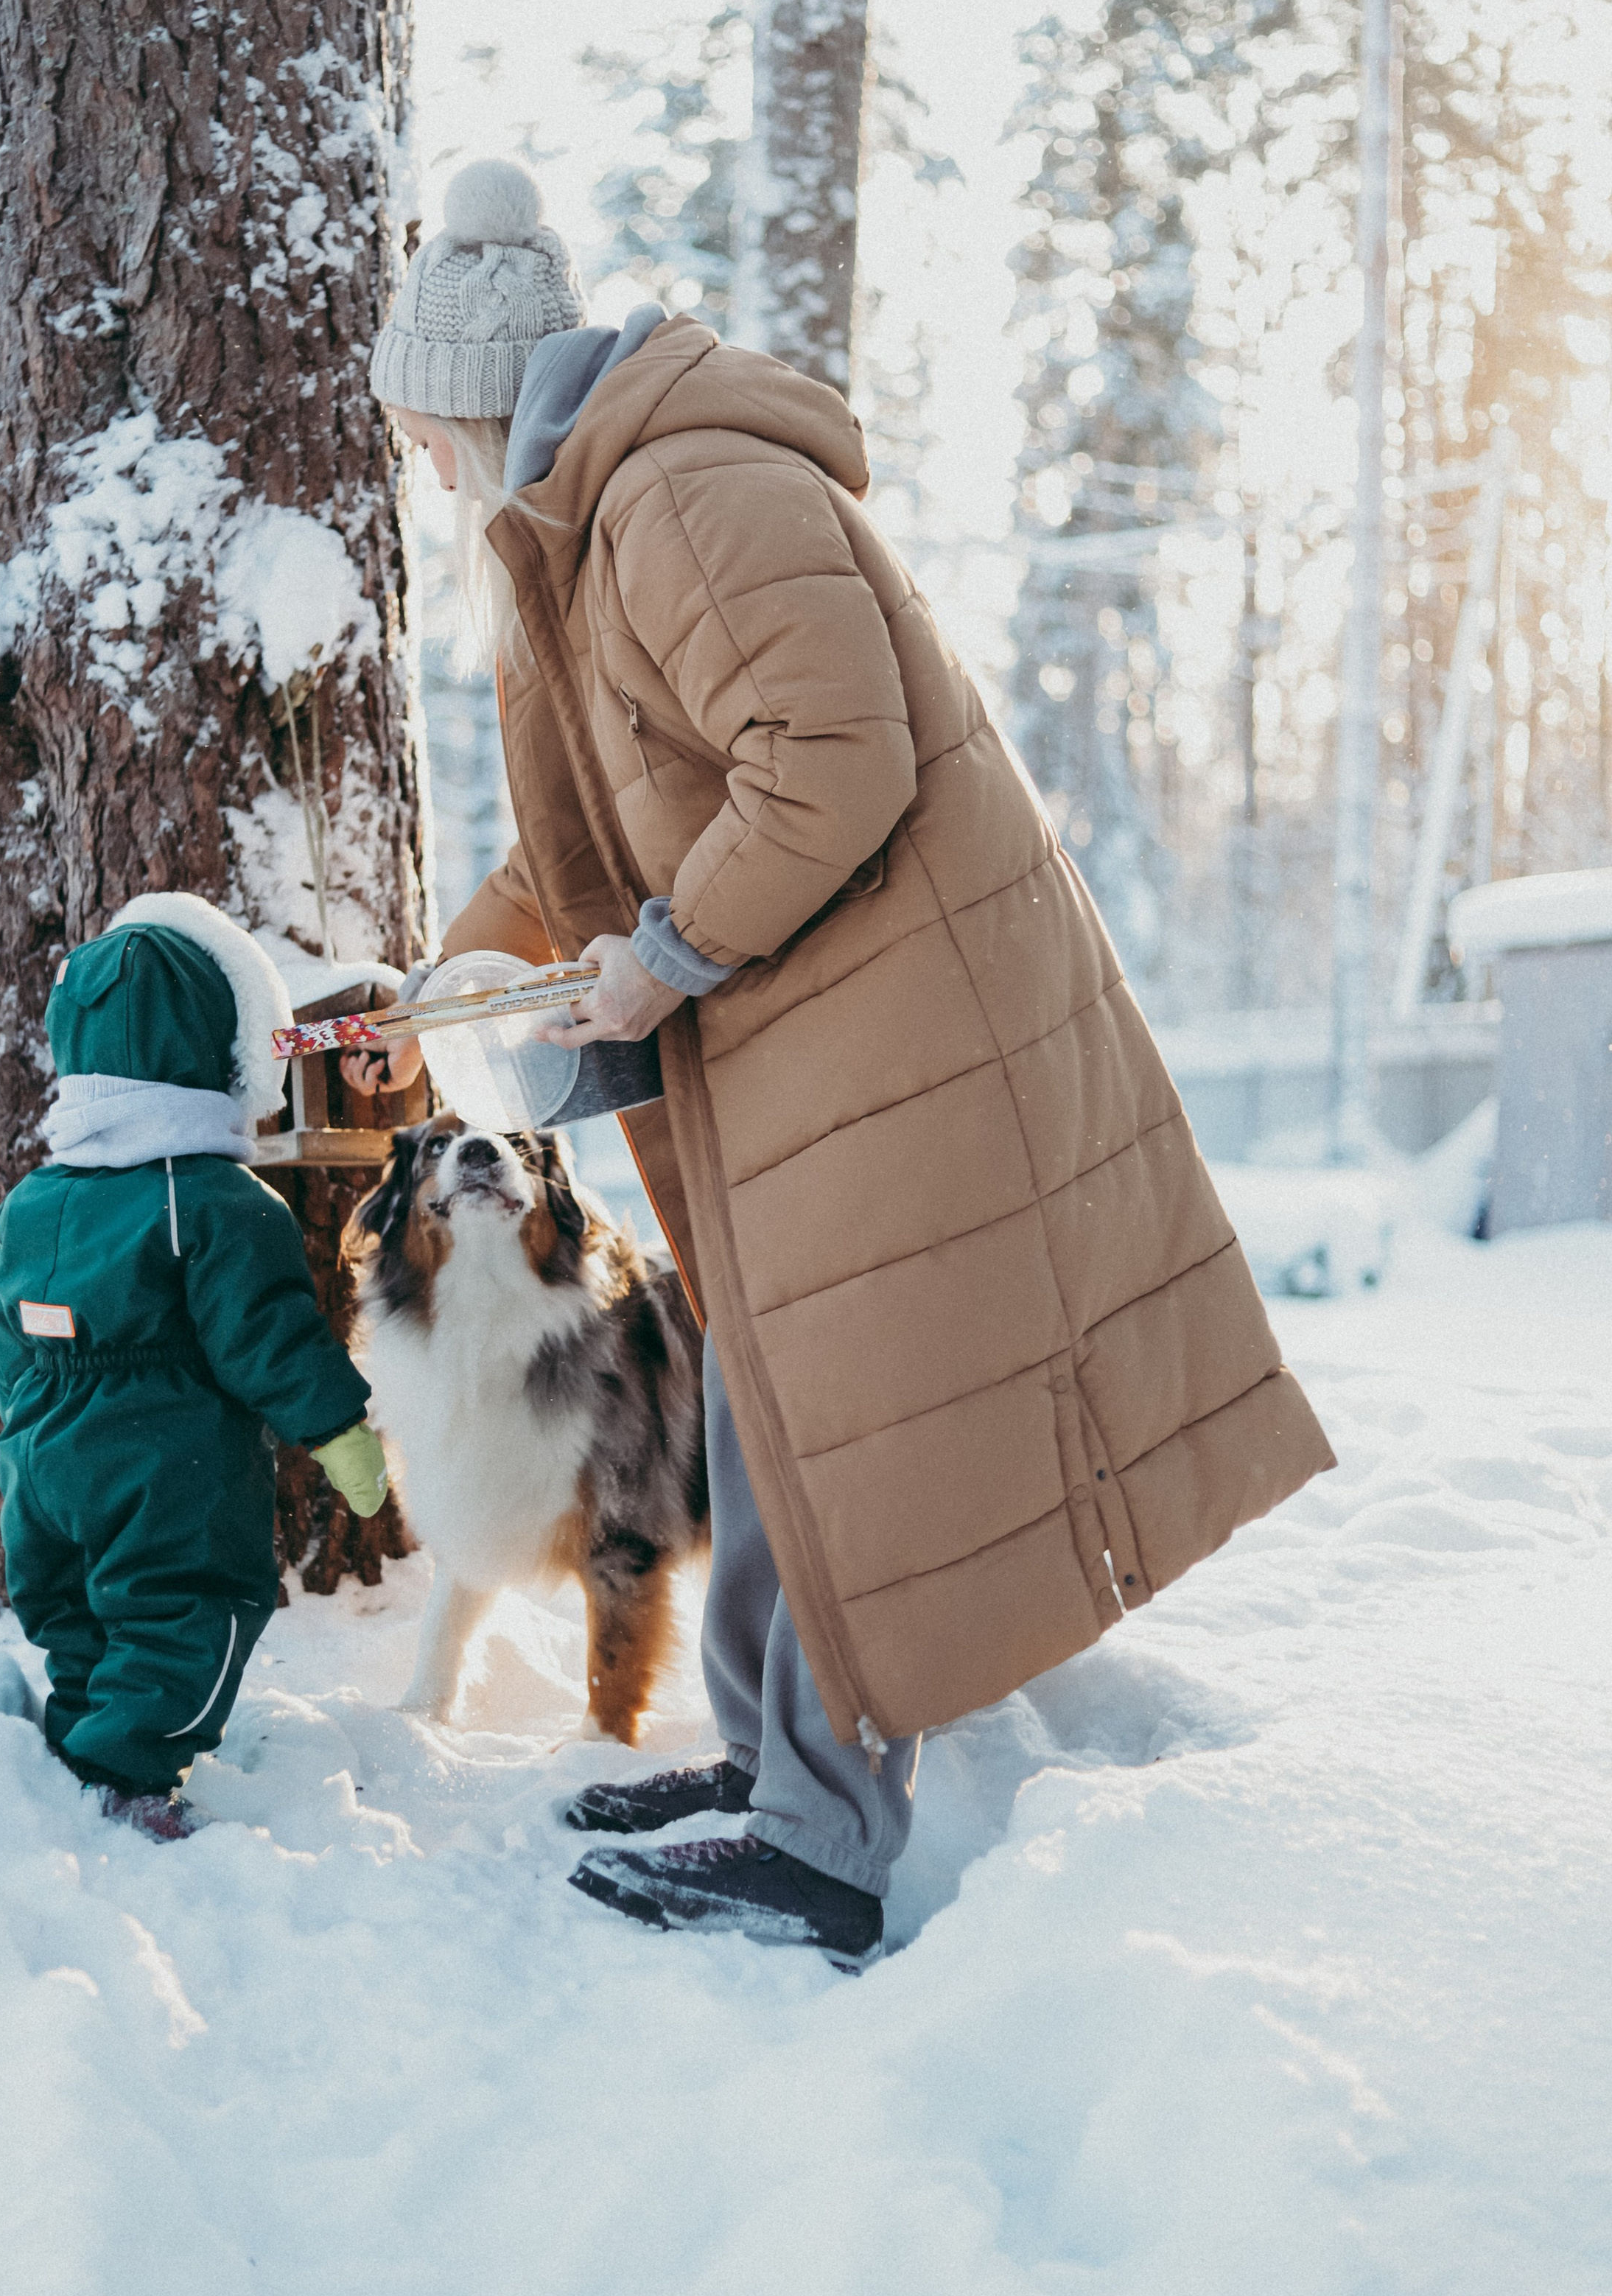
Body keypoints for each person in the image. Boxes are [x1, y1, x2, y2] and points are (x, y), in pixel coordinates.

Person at [354, 158, 1333, 1959]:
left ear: (474, 404)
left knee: (827, 1415)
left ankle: (819, 1840)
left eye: (419, 435)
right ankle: (769, 1767)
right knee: (757, 1402)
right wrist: (456, 969)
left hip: (887, 1025)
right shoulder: (599, 513)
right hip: (805, 1030)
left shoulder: (678, 495)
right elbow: (622, 814)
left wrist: (658, 961)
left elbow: (826, 762)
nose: (421, 472)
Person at [0, 895, 387, 1840]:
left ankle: (83, 1735)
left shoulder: (32, 1199)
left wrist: (31, 1432)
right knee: (192, 1608)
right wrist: (339, 1430)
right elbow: (270, 1338)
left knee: (79, 1610)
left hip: (40, 1458)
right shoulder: (217, 1200)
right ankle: (125, 1775)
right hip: (166, 1461)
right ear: (222, 1055)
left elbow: (8, 1332)